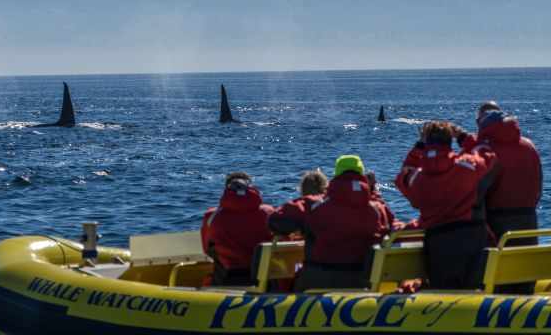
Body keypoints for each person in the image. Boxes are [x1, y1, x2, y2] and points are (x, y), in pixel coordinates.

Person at [395, 121, 497, 290]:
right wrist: (464, 137)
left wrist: (419, 146)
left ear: (426, 143)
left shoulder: (417, 178)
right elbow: (487, 153)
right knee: (474, 290)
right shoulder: (467, 165)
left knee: (443, 291)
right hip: (471, 237)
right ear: (449, 142)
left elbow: (405, 172)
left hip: (438, 242)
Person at [454, 102, 542, 294]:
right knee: (524, 282)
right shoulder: (529, 147)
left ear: (482, 124)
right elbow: (538, 189)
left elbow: (474, 195)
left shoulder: (488, 151)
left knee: (496, 282)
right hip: (529, 224)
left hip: (496, 228)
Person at [269, 155, 393, 291]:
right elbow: (392, 225)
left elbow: (275, 221)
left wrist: (305, 228)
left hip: (318, 280)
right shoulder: (378, 208)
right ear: (361, 175)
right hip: (363, 280)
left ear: (336, 175)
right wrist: (373, 192)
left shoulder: (314, 205)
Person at [200, 172, 274, 286]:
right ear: (251, 187)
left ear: (226, 189)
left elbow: (207, 249)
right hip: (266, 279)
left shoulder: (212, 216)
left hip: (228, 279)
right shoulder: (269, 213)